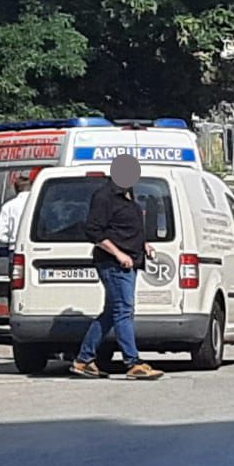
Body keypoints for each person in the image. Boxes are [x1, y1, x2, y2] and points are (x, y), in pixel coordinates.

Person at [72, 154, 162, 380]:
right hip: (114, 264)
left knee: (112, 313)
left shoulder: (127, 196)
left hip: (130, 261)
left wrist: (143, 244)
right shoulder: (104, 196)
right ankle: (133, 363)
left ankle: (84, 360)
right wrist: (119, 253)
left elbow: (124, 229)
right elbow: (94, 231)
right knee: (123, 311)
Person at [0, 170, 35, 257]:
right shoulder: (39, 203)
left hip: (15, 249)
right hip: (37, 248)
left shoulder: (8, 206)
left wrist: (12, 238)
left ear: (16, 189)